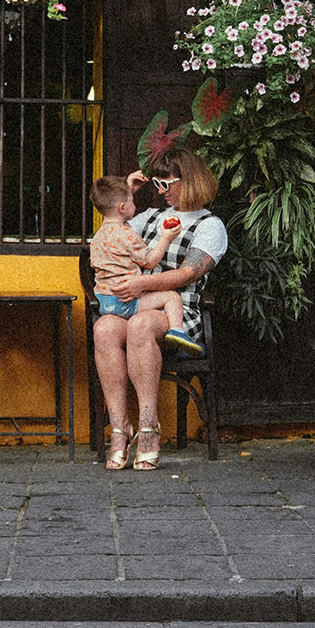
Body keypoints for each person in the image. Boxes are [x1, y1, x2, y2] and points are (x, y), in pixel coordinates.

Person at [90, 138, 227, 470]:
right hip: (137, 303)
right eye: (159, 183)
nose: (162, 190)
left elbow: (186, 274)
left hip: (179, 310)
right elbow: (111, 230)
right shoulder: (149, 217)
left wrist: (139, 282)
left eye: (168, 183)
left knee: (140, 325)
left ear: (189, 181)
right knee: (105, 327)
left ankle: (150, 427)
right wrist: (127, 191)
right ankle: (121, 428)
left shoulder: (210, 226)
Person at [88, 174, 196, 358]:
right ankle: (177, 332)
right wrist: (166, 238)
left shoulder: (97, 238)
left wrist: (126, 188)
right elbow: (150, 261)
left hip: (104, 301)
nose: (134, 205)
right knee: (171, 297)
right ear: (122, 207)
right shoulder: (126, 234)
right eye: (132, 201)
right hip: (125, 301)